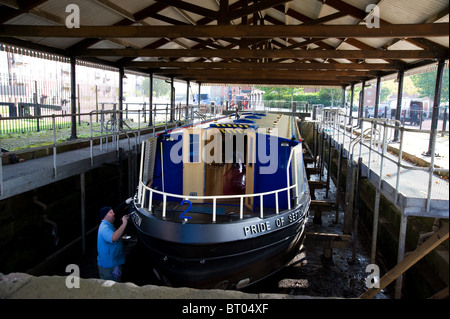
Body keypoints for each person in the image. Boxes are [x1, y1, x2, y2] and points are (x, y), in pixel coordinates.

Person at [97, 197, 133, 282]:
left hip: (115, 263)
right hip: (109, 266)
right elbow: (113, 237)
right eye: (110, 212)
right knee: (110, 286)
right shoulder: (105, 228)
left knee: (116, 282)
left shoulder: (108, 225)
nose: (113, 214)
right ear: (105, 216)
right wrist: (124, 223)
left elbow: (114, 238)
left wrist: (121, 239)